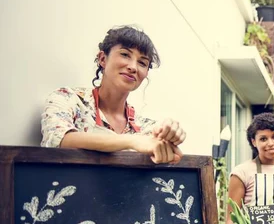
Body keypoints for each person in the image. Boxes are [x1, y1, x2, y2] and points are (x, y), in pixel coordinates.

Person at [41, 26, 185, 163]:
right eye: (125, 55)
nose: (133, 67)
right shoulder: (67, 99)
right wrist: (132, 141)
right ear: (103, 59)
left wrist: (169, 136)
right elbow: (59, 139)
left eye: (142, 63)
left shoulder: (146, 128)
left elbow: (171, 154)